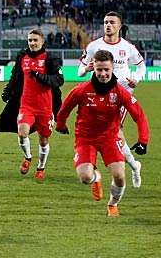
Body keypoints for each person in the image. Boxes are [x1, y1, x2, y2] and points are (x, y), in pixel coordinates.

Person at [56, 50, 149, 217]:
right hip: (85, 139)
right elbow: (63, 110)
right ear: (94, 69)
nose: (103, 74)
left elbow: (139, 116)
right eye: (99, 70)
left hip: (110, 138)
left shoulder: (120, 92)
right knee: (85, 177)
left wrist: (143, 140)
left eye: (107, 69)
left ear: (113, 68)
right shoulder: (81, 90)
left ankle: (112, 204)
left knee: (120, 177)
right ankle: (95, 178)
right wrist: (61, 125)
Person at [78, 11, 146, 188]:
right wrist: (86, 70)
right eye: (106, 22)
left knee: (114, 132)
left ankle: (114, 169)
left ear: (119, 26)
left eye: (112, 22)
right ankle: (133, 166)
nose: (108, 25)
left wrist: (136, 79)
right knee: (110, 134)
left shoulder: (128, 47)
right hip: (97, 96)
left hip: (121, 95)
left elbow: (141, 67)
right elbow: (80, 70)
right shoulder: (94, 46)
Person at [0, 29, 64, 179]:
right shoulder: (23, 57)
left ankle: (41, 167)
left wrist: (40, 76)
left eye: (35, 40)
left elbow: (59, 80)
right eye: (30, 40)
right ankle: (27, 157)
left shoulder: (50, 58)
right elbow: (16, 76)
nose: (32, 43)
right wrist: (8, 90)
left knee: (43, 139)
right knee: (22, 133)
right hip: (26, 105)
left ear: (42, 42)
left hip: (45, 108)